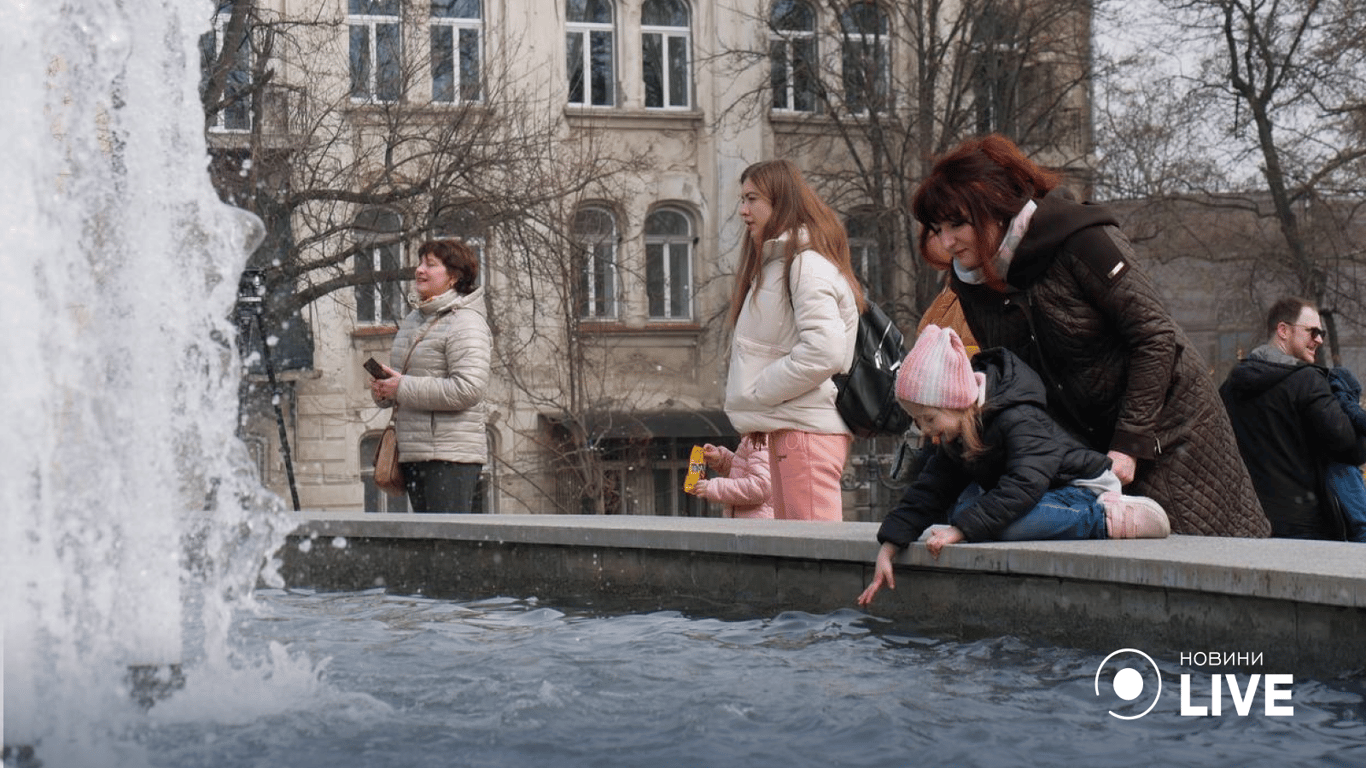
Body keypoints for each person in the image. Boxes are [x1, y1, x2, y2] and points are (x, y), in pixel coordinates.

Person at [909, 134, 1269, 538]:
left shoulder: (1082, 238)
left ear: (996, 207)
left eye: (957, 223)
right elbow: (1017, 380)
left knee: (1199, 550)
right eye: (937, 229)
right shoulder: (973, 281)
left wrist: (1129, 443)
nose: (946, 242)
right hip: (1088, 446)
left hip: (1169, 430)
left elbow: (1154, 337)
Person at [856, 325, 1169, 607]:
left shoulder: (1016, 416)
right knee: (965, 512)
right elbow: (930, 490)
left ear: (955, 401)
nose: (925, 430)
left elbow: (1025, 482)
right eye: (918, 421)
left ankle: (1105, 519)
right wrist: (889, 547)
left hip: (1080, 488)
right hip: (1040, 491)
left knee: (995, 524)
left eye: (929, 418)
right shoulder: (958, 432)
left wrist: (963, 529)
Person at [723, 158, 864, 521]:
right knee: (800, 548)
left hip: (806, 433)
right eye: (742, 200)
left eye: (752, 199)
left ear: (780, 200)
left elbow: (825, 352)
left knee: (815, 550)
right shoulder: (782, 264)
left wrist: (761, 391)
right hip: (794, 431)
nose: (743, 210)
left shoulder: (805, 265)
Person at [1219, 298, 1366, 540]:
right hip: (1307, 528)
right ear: (1283, 331)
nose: (1319, 340)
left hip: (1248, 525)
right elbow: (1350, 448)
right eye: (1312, 332)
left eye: (1322, 333)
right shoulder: (1307, 381)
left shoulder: (1230, 387)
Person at [370, 239, 491, 513]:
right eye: (420, 262)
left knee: (446, 539)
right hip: (414, 453)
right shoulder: (415, 320)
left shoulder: (466, 322)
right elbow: (406, 383)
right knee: (427, 538)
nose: (419, 270)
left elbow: (468, 389)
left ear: (453, 277)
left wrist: (401, 387)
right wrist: (384, 389)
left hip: (450, 457)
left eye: (431, 264)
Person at [687, 435, 775, 519]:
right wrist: (722, 459)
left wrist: (715, 487)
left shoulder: (758, 438)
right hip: (750, 522)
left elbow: (760, 486)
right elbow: (744, 472)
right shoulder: (754, 438)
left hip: (755, 525)